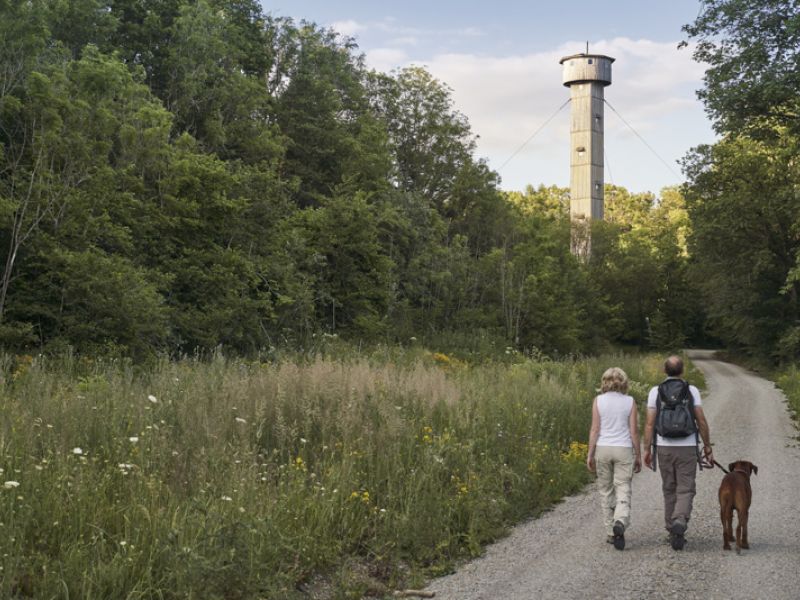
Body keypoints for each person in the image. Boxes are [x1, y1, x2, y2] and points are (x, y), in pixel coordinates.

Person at [643, 355, 714, 551]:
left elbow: (649, 424)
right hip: (688, 447)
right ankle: (680, 520)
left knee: (669, 488)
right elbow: (701, 420)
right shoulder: (691, 390)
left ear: (664, 371)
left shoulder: (655, 391)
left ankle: (671, 529)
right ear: (682, 371)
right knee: (686, 488)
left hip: (664, 447)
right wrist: (707, 446)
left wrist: (646, 449)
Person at [586, 367, 642, 550]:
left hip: (603, 448)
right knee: (623, 488)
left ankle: (611, 532)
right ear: (624, 382)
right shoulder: (630, 401)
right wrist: (638, 455)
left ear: (604, 382)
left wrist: (590, 453)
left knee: (606, 490)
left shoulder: (598, 401)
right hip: (623, 449)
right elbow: (633, 431)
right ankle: (620, 520)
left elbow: (595, 429)